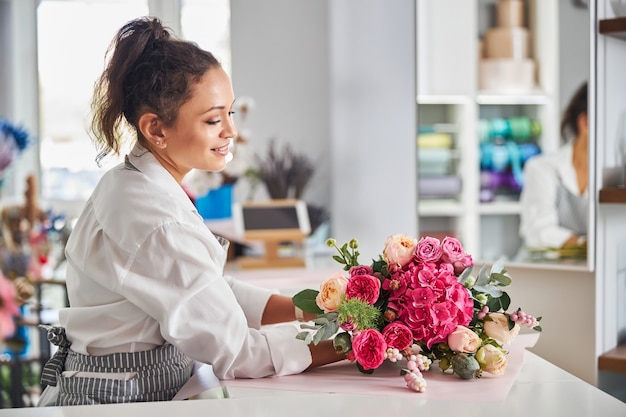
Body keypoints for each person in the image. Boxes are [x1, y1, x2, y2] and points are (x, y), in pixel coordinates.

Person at [38, 16, 344, 406]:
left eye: (230, 114)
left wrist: (312, 306)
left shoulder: (137, 182)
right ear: (156, 129)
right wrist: (352, 343)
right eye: (214, 119)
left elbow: (206, 288)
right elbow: (238, 352)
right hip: (120, 399)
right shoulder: (154, 216)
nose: (231, 132)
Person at [519, 81, 588, 251]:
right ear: (585, 123)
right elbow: (538, 232)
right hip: (550, 272)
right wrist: (585, 245)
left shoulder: (615, 178)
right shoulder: (542, 168)